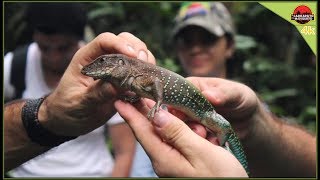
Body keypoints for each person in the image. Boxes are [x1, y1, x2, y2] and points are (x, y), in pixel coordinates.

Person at [4, 31, 248, 177]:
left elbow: (156, 85)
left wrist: (157, 103)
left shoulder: (141, 73)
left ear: (120, 63)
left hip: (205, 113)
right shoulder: (129, 79)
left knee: (219, 127)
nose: (95, 68)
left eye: (104, 63)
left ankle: (227, 150)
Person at [128, 2, 316, 177]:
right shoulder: (156, 106)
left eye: (207, 39)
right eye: (186, 40)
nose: (196, 48)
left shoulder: (249, 110)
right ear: (177, 49)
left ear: (230, 46)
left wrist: (255, 124)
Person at [4, 3, 135, 177]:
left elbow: (124, 152)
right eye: (45, 48)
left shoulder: (106, 69)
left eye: (63, 48)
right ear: (34, 36)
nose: (54, 57)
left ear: (78, 40)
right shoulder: (13, 66)